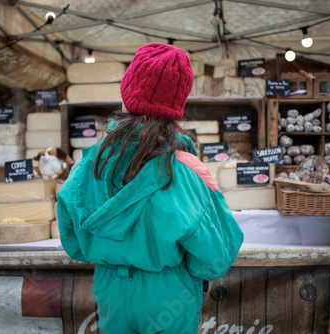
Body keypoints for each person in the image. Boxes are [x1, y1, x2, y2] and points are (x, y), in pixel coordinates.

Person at [58, 42, 243, 334]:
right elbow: (217, 256)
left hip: (110, 290)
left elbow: (75, 245)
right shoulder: (186, 169)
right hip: (168, 292)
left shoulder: (86, 164)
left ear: (128, 92)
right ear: (177, 104)